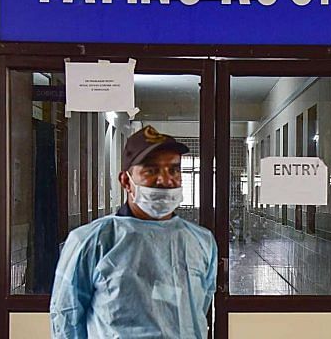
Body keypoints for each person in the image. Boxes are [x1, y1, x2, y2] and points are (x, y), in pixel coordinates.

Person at [50, 125, 217, 338]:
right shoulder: (91, 241)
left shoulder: (201, 241)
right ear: (126, 181)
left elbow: (200, 307)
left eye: (173, 169)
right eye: (151, 170)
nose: (165, 180)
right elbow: (67, 320)